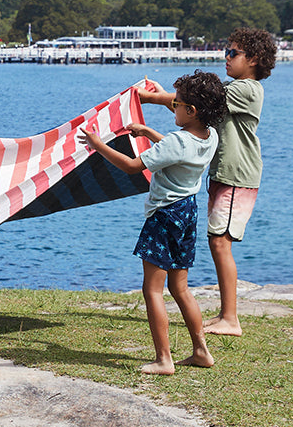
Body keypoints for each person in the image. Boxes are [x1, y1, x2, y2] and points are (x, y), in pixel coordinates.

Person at [80, 71, 226, 376]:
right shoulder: (211, 136)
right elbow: (178, 153)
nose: (173, 107)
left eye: (177, 103)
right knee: (181, 288)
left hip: (165, 215)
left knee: (152, 290)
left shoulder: (177, 140)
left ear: (192, 111)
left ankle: (164, 359)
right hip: (188, 212)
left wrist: (97, 144)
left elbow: (133, 167)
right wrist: (148, 132)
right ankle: (201, 350)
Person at [139, 29, 276, 336]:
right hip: (223, 173)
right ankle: (227, 315)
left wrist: (150, 97)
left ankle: (231, 318)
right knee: (218, 241)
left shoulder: (249, 90)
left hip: (238, 175)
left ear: (253, 60)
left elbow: (199, 101)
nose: (225, 58)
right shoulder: (235, 89)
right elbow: (195, 108)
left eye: (232, 53)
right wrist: (166, 98)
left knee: (220, 241)